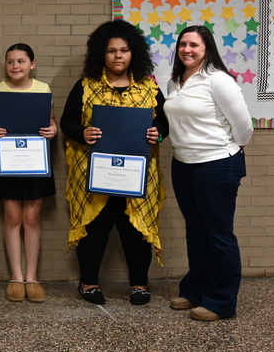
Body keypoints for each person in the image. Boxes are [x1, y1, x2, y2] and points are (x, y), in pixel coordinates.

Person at [62, 20, 168, 306]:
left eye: (124, 50)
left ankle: (139, 286)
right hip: (95, 174)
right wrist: (82, 133)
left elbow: (164, 123)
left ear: (134, 53)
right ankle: (88, 284)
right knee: (95, 229)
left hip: (138, 175)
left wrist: (157, 132)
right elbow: (66, 122)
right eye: (111, 51)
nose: (118, 56)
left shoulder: (149, 87)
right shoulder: (85, 86)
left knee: (135, 231)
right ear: (101, 54)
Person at [164, 25, 253, 321]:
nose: (187, 49)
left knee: (218, 235)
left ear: (207, 49)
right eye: (183, 44)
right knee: (196, 230)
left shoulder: (218, 80)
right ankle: (195, 291)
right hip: (183, 164)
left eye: (194, 45)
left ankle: (221, 302)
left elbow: (244, 127)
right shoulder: (175, 81)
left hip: (217, 165)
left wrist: (228, 148)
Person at [0, 44, 57, 303]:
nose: (15, 66)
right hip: (7, 159)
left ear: (32, 64)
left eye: (21, 61)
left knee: (32, 217)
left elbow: (52, 121)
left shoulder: (43, 89)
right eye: (10, 61)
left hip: (34, 160)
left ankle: (32, 277)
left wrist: (53, 130)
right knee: (12, 216)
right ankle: (16, 277)